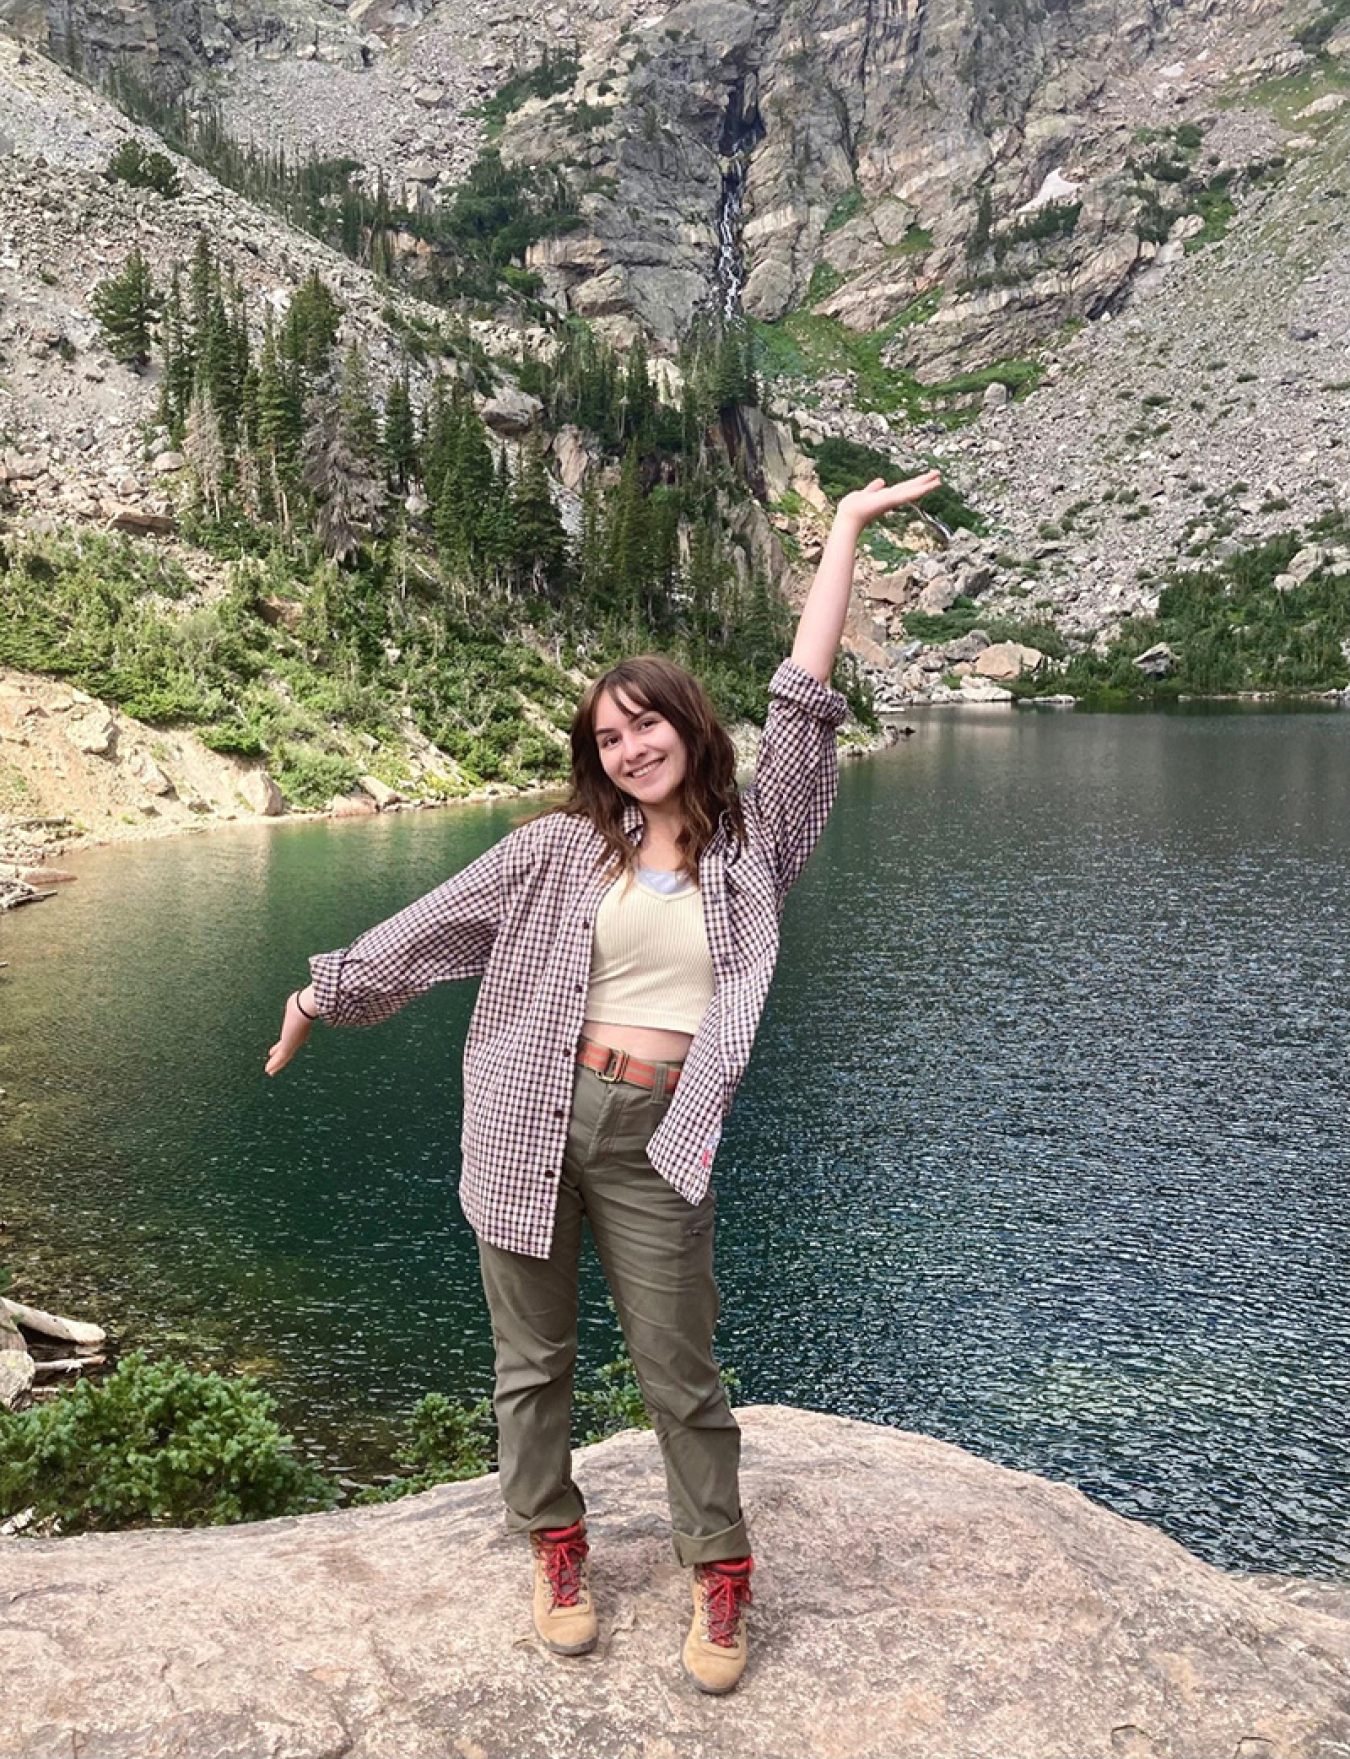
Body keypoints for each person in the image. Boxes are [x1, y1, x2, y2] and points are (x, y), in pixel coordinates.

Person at [265, 467, 942, 1694]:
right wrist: (326, 990)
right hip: (530, 1113)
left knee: (678, 1367)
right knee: (532, 1362)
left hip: (660, 1131)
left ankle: (718, 1571)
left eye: (647, 724)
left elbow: (805, 698)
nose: (629, 747)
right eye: (608, 735)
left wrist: (842, 527)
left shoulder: (754, 847)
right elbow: (432, 928)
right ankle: (557, 1546)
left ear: (688, 725)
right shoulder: (555, 851)